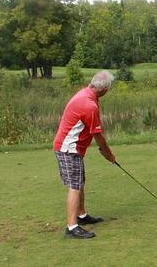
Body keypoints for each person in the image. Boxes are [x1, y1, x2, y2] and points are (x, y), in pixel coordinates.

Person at [53, 70, 116, 239]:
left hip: (72, 148)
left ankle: (81, 216)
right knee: (75, 185)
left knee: (79, 181)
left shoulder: (87, 94)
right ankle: (72, 227)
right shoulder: (89, 105)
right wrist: (108, 154)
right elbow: (98, 136)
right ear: (104, 90)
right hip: (68, 149)